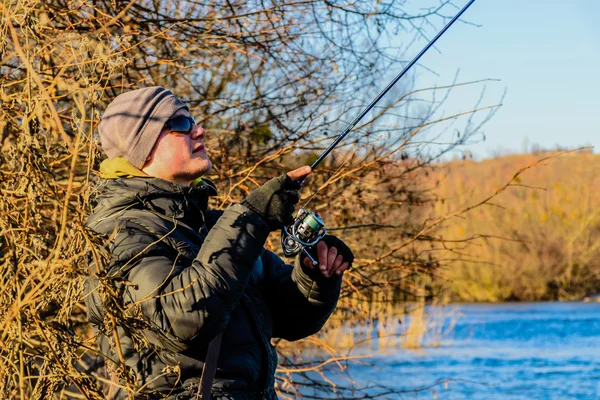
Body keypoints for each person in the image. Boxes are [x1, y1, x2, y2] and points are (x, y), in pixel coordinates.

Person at [84, 87, 354, 400]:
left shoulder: (210, 227)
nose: (199, 130)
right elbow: (182, 319)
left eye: (194, 121)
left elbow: (290, 319)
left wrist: (316, 274)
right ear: (143, 149)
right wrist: (251, 219)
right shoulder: (119, 232)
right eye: (182, 124)